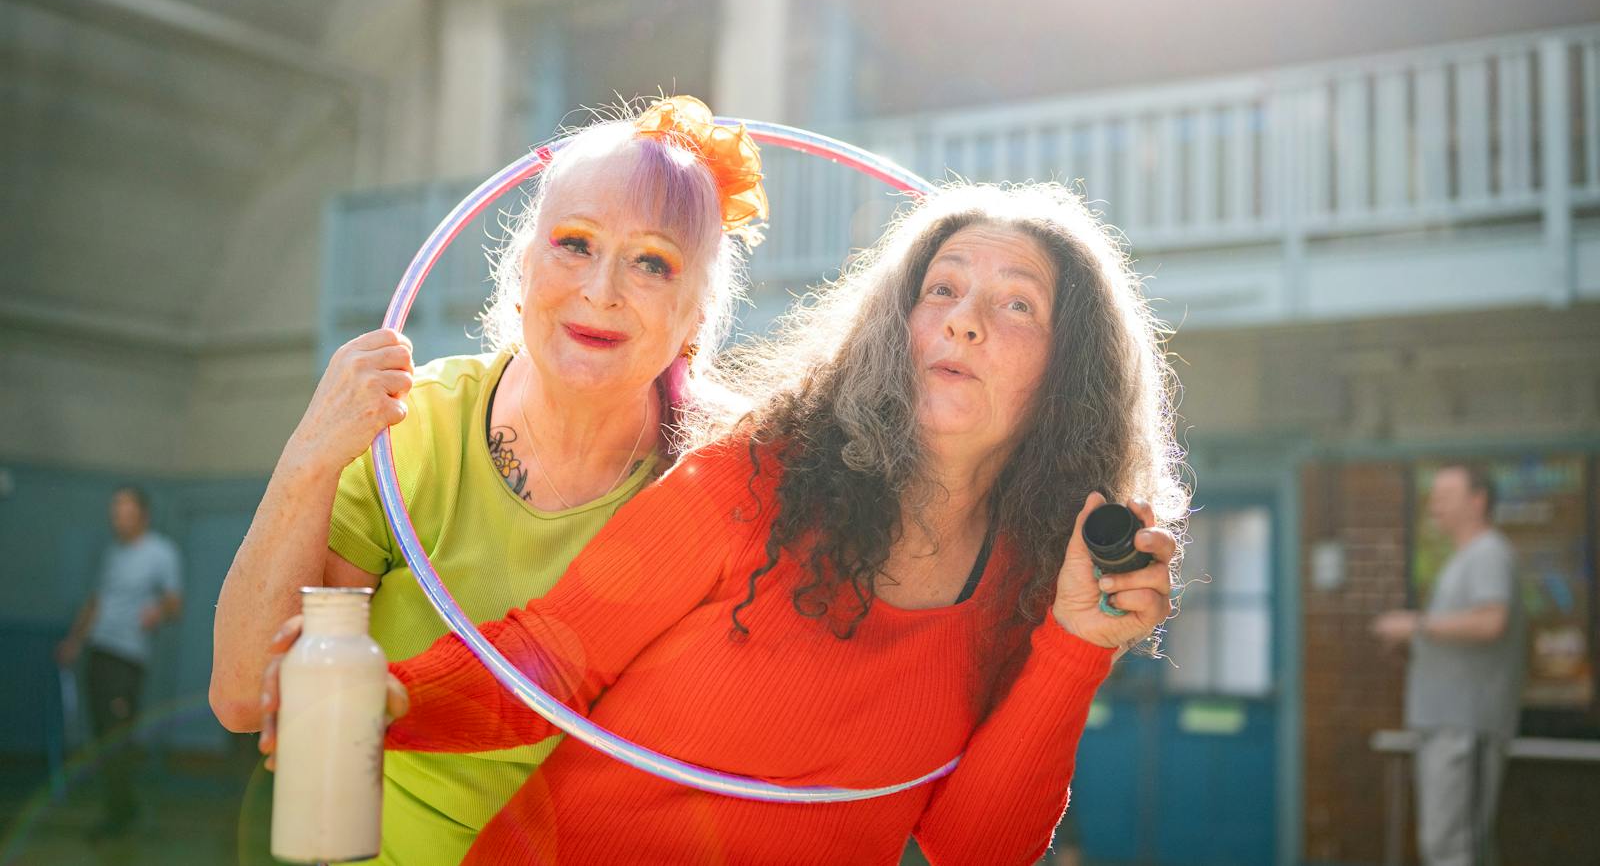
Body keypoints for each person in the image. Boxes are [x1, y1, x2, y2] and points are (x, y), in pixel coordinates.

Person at [261, 180, 1189, 865]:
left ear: (1067, 375)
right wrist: (390, 706)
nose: (964, 321)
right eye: (941, 289)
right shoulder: (760, 475)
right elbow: (554, 653)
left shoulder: (1033, 580)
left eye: (1015, 302)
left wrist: (1075, 645)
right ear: (896, 323)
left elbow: (973, 848)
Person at [211, 96, 765, 865]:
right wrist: (310, 455)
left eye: (651, 261)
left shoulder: (725, 471)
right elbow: (245, 693)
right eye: (574, 244)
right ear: (521, 268)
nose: (602, 289)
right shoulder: (417, 429)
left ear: (697, 314)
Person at [1372, 463, 1525, 866]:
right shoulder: (1463, 559)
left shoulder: (1489, 553)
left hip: (1467, 727)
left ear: (1478, 501)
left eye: (1445, 495)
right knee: (1445, 846)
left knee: (1457, 848)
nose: (1433, 504)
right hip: (1445, 725)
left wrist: (1416, 625)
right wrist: (1412, 643)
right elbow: (1460, 637)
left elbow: (1493, 621)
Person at [56, 485, 184, 839]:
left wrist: (156, 612)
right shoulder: (113, 553)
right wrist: (74, 640)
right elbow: (97, 600)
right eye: (114, 510)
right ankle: (121, 807)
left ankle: (119, 814)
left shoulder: (161, 552)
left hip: (128, 658)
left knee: (117, 736)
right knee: (102, 736)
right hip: (99, 650)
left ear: (142, 514)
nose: (117, 517)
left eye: (124, 510)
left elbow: (175, 603)